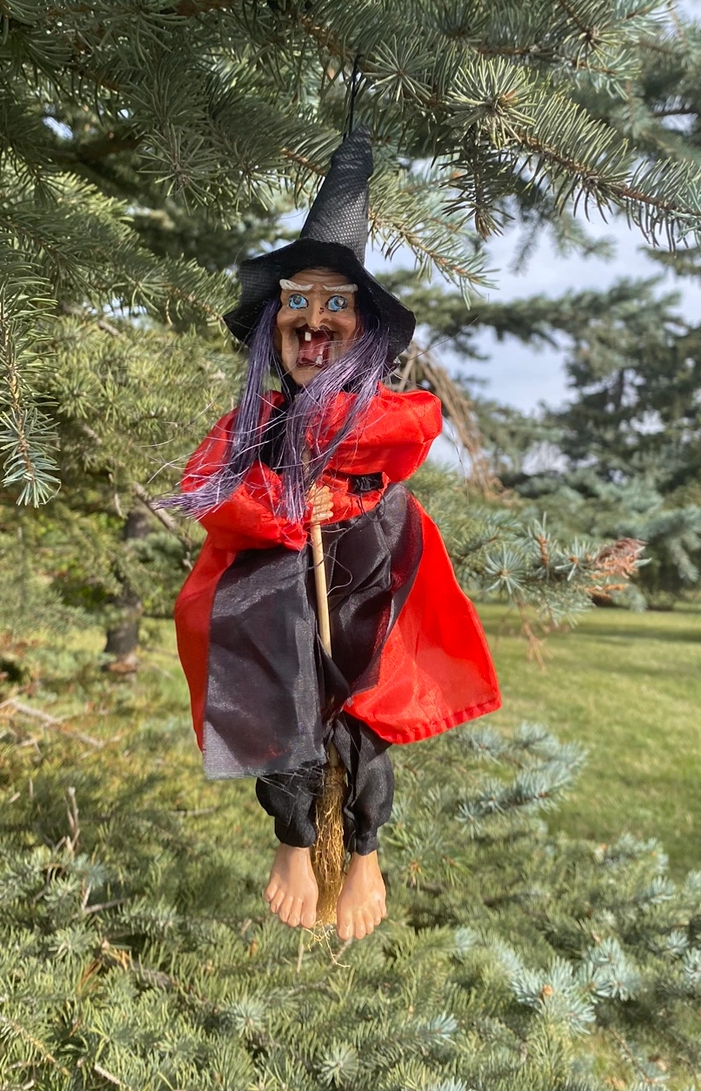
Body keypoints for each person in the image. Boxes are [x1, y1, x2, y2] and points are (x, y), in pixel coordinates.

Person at [173, 127, 501, 940]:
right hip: (276, 561)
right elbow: (213, 488)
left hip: (369, 554)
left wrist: (343, 492)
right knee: (278, 661)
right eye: (297, 304)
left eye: (335, 306)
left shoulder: (376, 409)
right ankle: (292, 835)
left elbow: (395, 449)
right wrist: (285, 508)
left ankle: (363, 847)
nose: (314, 319)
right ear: (275, 326)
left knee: (363, 687)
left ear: (363, 330)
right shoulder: (257, 419)